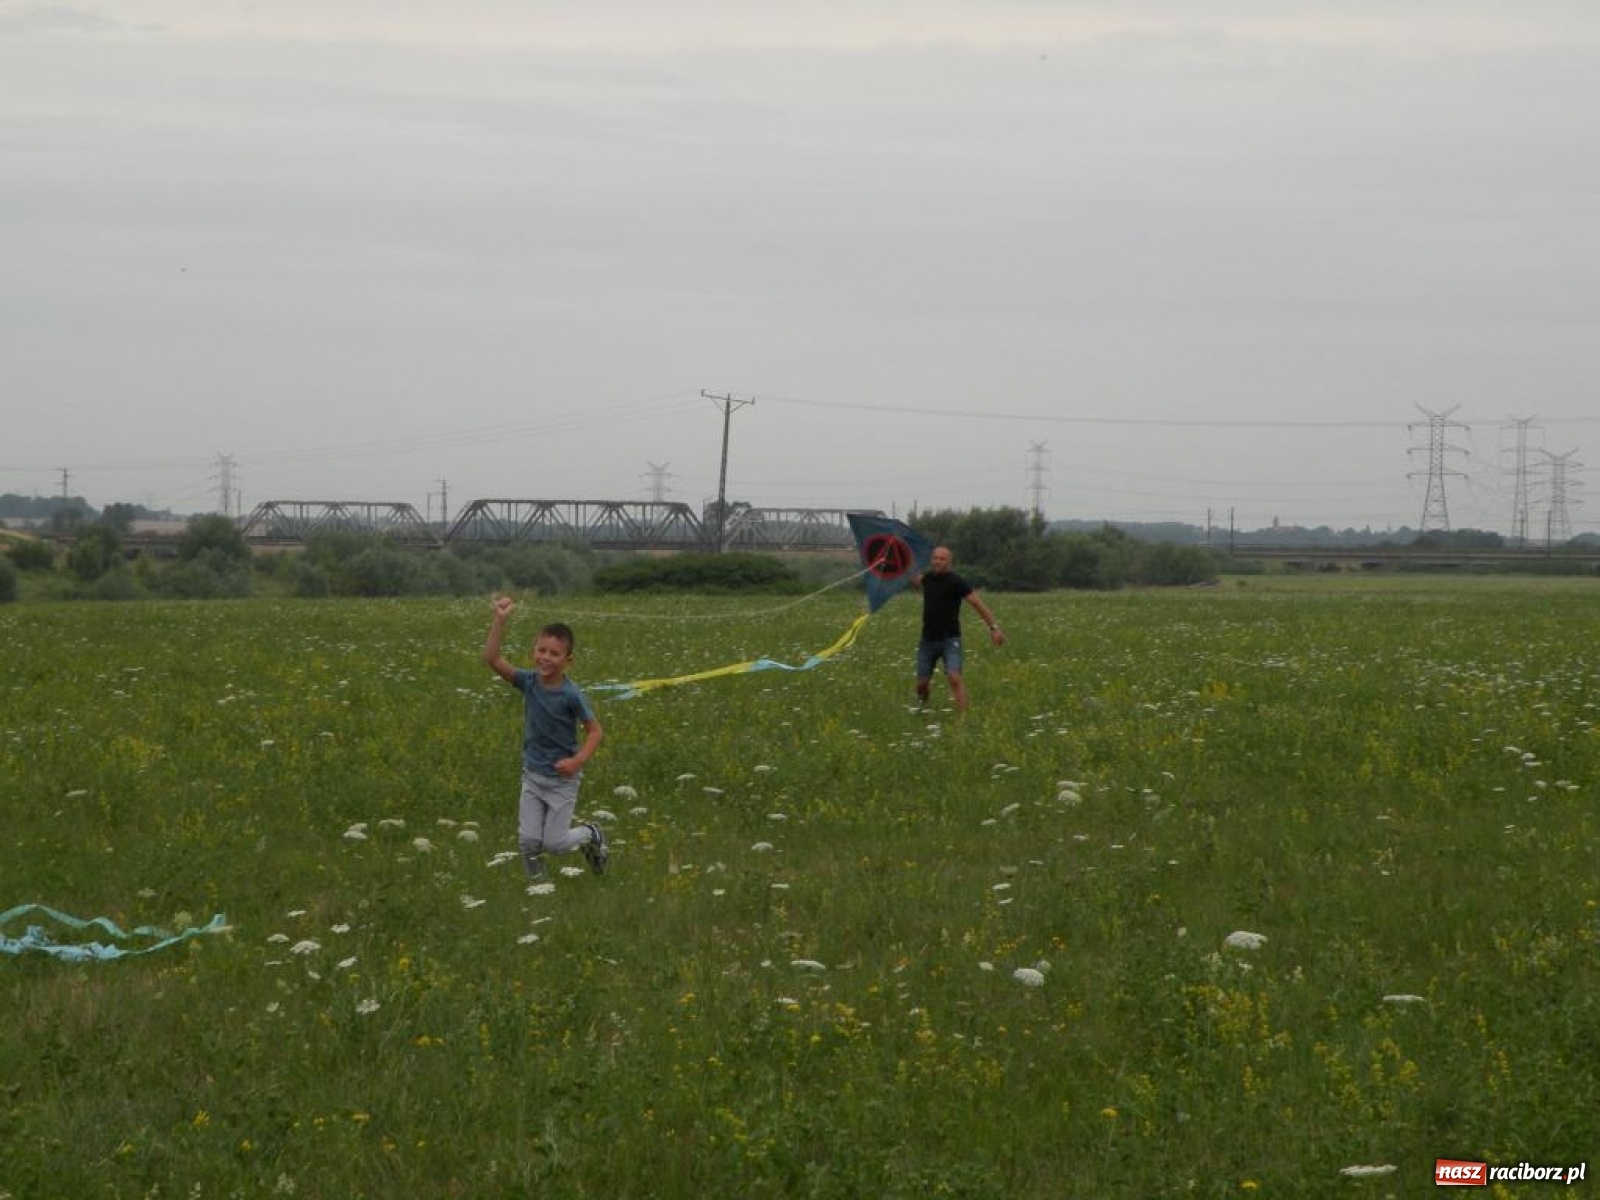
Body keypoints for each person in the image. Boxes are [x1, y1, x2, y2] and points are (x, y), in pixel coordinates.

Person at [484, 596, 607, 880]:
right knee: (528, 842)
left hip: (562, 781)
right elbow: (492, 658)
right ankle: (539, 890)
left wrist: (578, 761)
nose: (546, 658)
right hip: (532, 776)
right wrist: (499, 620)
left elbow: (595, 731)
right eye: (542, 650)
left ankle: (591, 834)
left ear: (568, 660)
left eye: (554, 653)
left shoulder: (571, 694)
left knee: (555, 844)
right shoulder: (528, 682)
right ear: (533, 652)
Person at [912, 545, 1005, 713]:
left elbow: (978, 604)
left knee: (954, 678)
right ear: (931, 560)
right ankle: (923, 707)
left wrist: (994, 628)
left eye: (942, 559)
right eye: (935, 558)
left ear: (949, 562)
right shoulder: (927, 579)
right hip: (927, 641)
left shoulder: (956, 582)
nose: (938, 561)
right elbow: (915, 580)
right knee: (921, 685)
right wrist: (899, 559)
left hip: (950, 640)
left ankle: (962, 721)